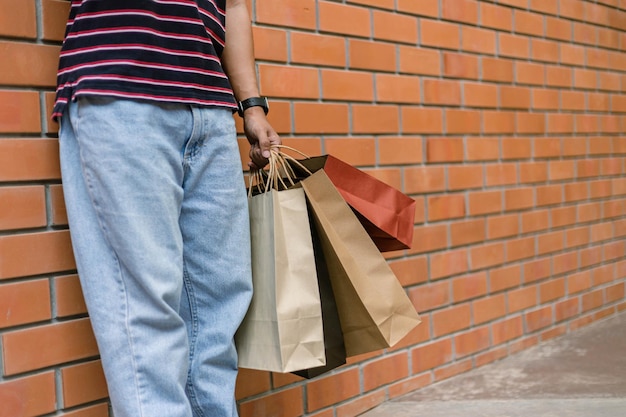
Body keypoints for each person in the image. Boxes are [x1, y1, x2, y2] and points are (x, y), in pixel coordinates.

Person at [52, 1, 280, 416]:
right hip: (120, 86)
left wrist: (252, 104)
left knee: (218, 306)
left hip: (210, 108)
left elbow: (235, 5)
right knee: (146, 311)